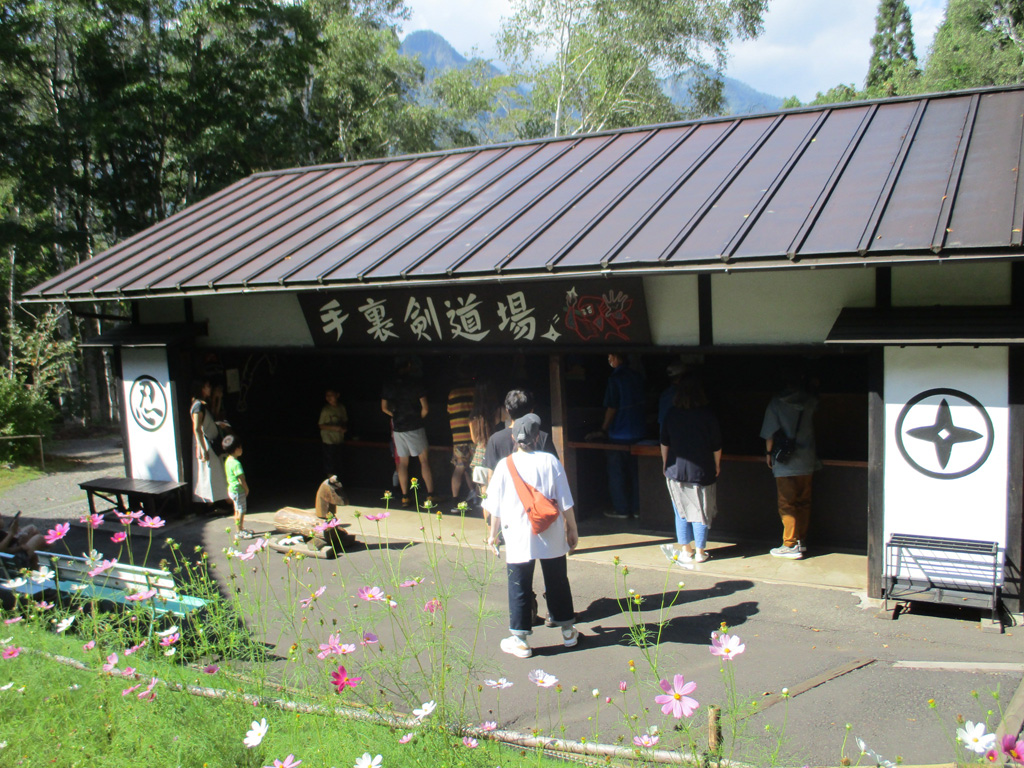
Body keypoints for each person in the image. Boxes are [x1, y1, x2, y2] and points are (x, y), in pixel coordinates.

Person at [484, 413, 580, 659]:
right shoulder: (550, 461)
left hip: (517, 536)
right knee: (557, 581)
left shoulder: (505, 464)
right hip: (552, 533)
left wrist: (492, 535)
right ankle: (568, 631)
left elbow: (494, 506)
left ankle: (520, 639)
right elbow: (565, 501)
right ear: (538, 437)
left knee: (519, 586)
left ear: (514, 438)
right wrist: (572, 529)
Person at [659, 374, 721, 565]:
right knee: (701, 511)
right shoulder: (708, 415)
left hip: (675, 471)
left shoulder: (671, 414)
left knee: (681, 511)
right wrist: (717, 465)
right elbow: (716, 445)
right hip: (702, 471)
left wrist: (664, 463)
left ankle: (687, 551)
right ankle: (701, 552)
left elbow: (664, 442)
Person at [760, 371, 821, 560]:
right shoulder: (811, 401)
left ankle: (790, 543)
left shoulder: (776, 403)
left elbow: (769, 432)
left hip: (785, 460)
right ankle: (801, 540)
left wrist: (769, 454)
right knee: (804, 501)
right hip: (808, 458)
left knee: (787, 503)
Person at [381, 357, 436, 508]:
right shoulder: (415, 383)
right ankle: (430, 495)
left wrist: (396, 416)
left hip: (399, 429)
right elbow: (425, 408)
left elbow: (384, 407)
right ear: (409, 365)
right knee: (424, 460)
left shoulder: (389, 384)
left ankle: (405, 497)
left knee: (403, 463)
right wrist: (418, 418)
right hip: (415, 426)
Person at [599, 352, 646, 519]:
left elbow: (612, 407)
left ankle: (621, 509)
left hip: (619, 433)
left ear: (619, 358)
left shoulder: (615, 379)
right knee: (636, 473)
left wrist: (603, 429)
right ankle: (638, 508)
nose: (609, 359)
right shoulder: (637, 377)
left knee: (617, 473)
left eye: (611, 356)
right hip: (639, 432)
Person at [191, 379, 229, 506]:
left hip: (208, 440)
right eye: (207, 386)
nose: (209, 389)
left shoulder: (203, 404)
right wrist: (202, 449)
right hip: (205, 442)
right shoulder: (197, 406)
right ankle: (210, 503)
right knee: (209, 471)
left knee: (213, 472)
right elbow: (197, 428)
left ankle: (214, 502)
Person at [447, 364, 476, 503]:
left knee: (461, 467)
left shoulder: (452, 393)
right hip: (473, 436)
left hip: (458, 438)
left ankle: (458, 499)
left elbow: (449, 411)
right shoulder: (474, 391)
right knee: (471, 468)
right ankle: (475, 497)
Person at [222, 434, 251, 538]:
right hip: (238, 490)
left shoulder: (228, 461)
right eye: (240, 447)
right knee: (241, 511)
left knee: (236, 510)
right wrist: (246, 489)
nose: (241, 449)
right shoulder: (236, 464)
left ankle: (240, 528)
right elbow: (241, 479)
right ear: (237, 449)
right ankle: (239, 531)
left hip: (231, 490)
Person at [318, 388, 348, 481]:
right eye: (327, 396)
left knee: (338, 462)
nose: (329, 398)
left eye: (331, 395)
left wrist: (343, 428)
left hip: (338, 439)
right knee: (330, 462)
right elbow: (321, 425)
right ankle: (331, 482)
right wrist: (334, 428)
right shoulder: (326, 410)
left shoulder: (341, 407)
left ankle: (338, 482)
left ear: (337, 395)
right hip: (328, 440)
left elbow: (345, 420)